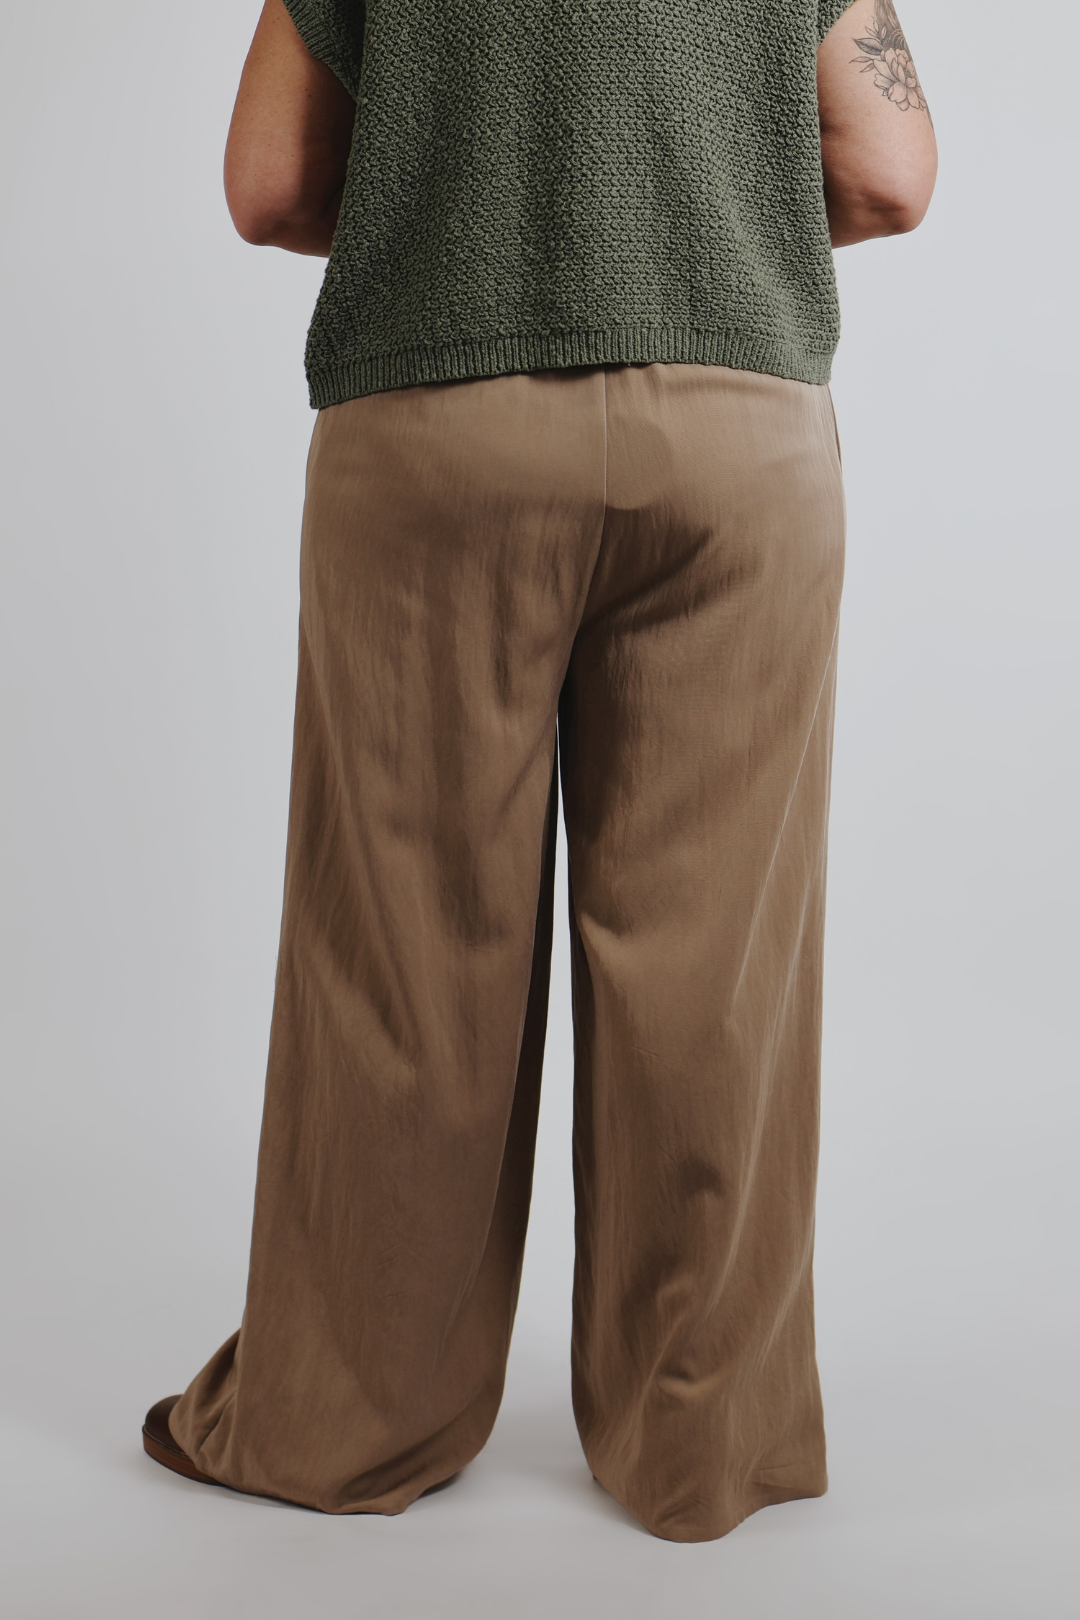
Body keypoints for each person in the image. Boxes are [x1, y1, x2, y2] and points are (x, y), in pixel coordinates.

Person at [141, 0, 936, 1542]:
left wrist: (460, 221)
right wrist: (708, 226)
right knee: (715, 969)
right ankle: (702, 1444)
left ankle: (345, 1424)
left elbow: (268, 183)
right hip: (739, 447)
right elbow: (890, 172)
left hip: (438, 438)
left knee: (406, 955)